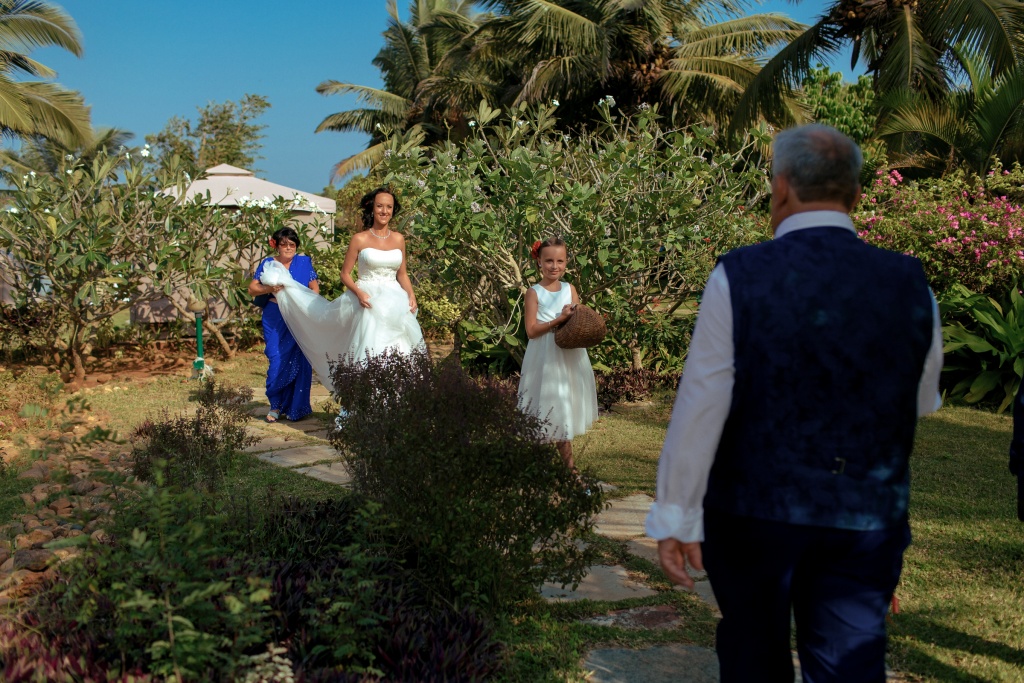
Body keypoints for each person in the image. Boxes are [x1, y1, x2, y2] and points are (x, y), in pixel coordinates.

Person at [645, 124, 944, 682]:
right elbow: (922, 399)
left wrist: (676, 514)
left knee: (753, 658)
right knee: (849, 666)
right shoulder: (911, 283)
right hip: (864, 514)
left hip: (753, 512)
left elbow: (701, 405)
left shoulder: (739, 274)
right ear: (856, 194)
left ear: (781, 187)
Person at [518, 236, 599, 471]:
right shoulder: (534, 292)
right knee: (544, 407)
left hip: (568, 355)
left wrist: (576, 317)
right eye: (549, 261)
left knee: (563, 407)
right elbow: (531, 331)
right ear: (539, 262)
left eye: (560, 261)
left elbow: (577, 322)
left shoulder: (569, 289)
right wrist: (558, 320)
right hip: (544, 356)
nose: (554, 266)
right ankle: (551, 469)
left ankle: (567, 469)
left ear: (566, 262)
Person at [248, 227, 320, 422]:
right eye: (284, 244)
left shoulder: (304, 262)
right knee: (276, 357)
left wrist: (306, 305)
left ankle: (295, 408)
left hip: (298, 316)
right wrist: (270, 288)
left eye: (292, 245)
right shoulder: (269, 264)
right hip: (275, 315)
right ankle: (275, 405)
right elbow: (253, 288)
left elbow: (314, 288)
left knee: (299, 359)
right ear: (277, 246)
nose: (288, 248)